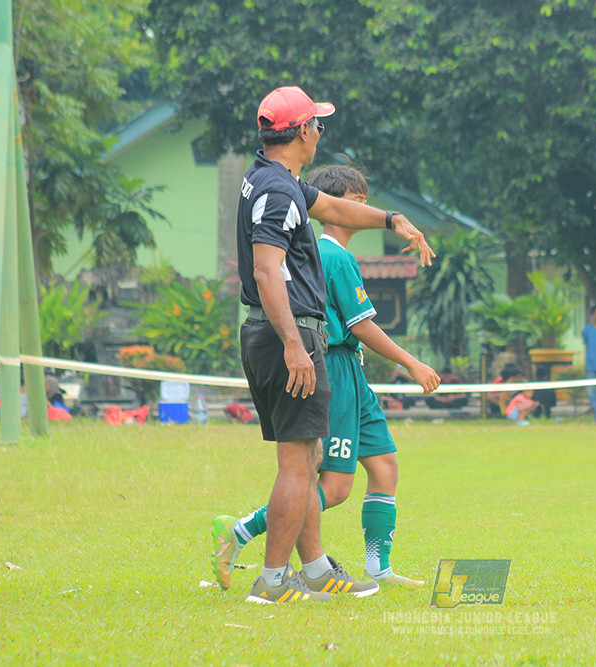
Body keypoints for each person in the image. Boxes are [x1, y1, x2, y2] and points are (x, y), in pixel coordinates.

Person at [223, 86, 435, 605]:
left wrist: (391, 219)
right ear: (301, 131)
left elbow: (333, 206)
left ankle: (315, 569)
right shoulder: (277, 191)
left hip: (282, 334)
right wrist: (294, 345)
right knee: (298, 464)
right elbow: (267, 271)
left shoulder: (277, 181)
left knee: (309, 456)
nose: (320, 132)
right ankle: (273, 581)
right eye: (318, 124)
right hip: (287, 336)